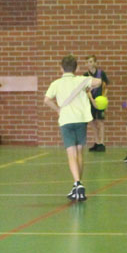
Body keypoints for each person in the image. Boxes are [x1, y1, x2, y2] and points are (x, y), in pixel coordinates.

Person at [45, 54, 101, 201]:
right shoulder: (81, 80)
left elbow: (47, 100)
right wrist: (90, 85)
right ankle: (77, 185)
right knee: (79, 152)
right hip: (81, 120)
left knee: (71, 153)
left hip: (66, 121)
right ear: (76, 68)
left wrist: (58, 109)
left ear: (61, 68)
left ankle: (77, 183)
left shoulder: (56, 83)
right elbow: (99, 81)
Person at [85, 55, 110, 152]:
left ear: (95, 63)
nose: (89, 63)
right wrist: (92, 100)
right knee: (92, 121)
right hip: (90, 102)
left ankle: (102, 143)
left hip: (100, 102)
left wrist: (103, 97)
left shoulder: (101, 73)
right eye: (87, 62)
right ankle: (97, 142)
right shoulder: (85, 75)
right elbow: (86, 90)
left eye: (91, 61)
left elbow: (106, 87)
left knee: (100, 121)